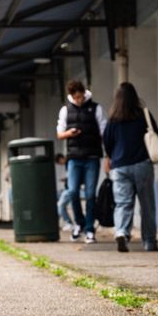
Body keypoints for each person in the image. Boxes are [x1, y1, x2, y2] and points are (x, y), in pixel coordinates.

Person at [101, 82, 158, 253]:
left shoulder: (113, 119)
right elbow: (156, 134)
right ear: (134, 96)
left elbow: (107, 142)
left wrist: (111, 157)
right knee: (147, 205)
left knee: (123, 203)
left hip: (120, 167)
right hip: (142, 164)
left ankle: (121, 232)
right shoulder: (143, 115)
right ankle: (149, 242)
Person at [56, 80, 107, 244]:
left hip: (92, 156)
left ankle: (90, 229)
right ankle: (79, 223)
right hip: (74, 158)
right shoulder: (65, 110)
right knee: (73, 192)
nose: (79, 100)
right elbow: (59, 134)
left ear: (84, 93)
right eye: (76, 97)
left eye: (81, 96)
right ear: (71, 96)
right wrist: (69, 133)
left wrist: (107, 154)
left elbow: (103, 131)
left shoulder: (96, 108)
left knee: (91, 194)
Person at [55, 153, 76, 233]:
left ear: (61, 159)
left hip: (69, 189)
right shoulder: (68, 164)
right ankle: (66, 223)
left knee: (60, 205)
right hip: (68, 188)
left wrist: (66, 179)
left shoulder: (69, 163)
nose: (60, 164)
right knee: (60, 206)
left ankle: (69, 223)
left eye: (59, 162)